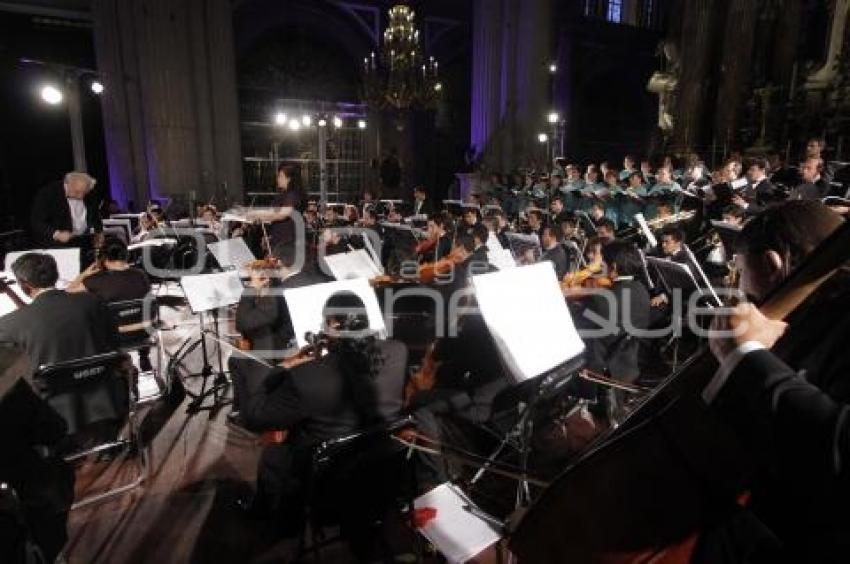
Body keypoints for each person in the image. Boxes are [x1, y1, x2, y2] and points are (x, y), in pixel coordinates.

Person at [232, 292, 407, 539]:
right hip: (380, 472)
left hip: (328, 488)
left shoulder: (307, 378)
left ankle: (278, 522)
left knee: (272, 453)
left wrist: (286, 367)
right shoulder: (398, 352)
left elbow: (254, 416)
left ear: (334, 324)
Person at [0, 253, 119, 369]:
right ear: (56, 275)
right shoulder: (93, 301)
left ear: (24, 285)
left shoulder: (8, 325)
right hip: (104, 383)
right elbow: (115, 344)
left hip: (54, 388)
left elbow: (33, 318)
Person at [244, 164, 304, 261]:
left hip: (287, 244)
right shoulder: (283, 195)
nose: (277, 179)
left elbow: (282, 214)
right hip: (278, 240)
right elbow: (272, 214)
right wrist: (270, 236)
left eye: (280, 176)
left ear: (289, 179)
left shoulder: (293, 195)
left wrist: (256, 213)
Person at [30, 171, 103, 252]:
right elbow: (37, 222)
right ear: (68, 184)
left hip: (83, 242)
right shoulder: (47, 193)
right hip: (56, 245)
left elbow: (95, 214)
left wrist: (99, 232)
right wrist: (57, 234)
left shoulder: (88, 191)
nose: (81, 196)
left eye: (84, 193)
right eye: (77, 192)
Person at [65, 237, 151, 302]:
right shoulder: (141, 275)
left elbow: (67, 293)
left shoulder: (96, 281)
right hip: (140, 322)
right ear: (126, 255)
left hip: (109, 324)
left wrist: (84, 274)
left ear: (104, 258)